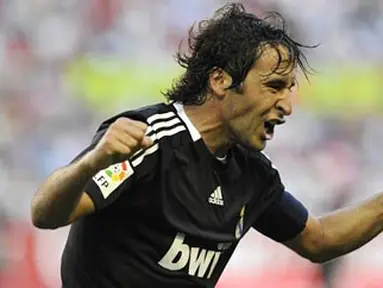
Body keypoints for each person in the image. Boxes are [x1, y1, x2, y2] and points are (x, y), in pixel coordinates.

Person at [31, 3, 383, 288]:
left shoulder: (251, 175)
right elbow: (46, 214)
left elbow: (318, 240)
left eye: (288, 90)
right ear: (220, 80)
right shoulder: (150, 139)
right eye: (274, 86)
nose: (287, 105)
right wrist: (92, 164)